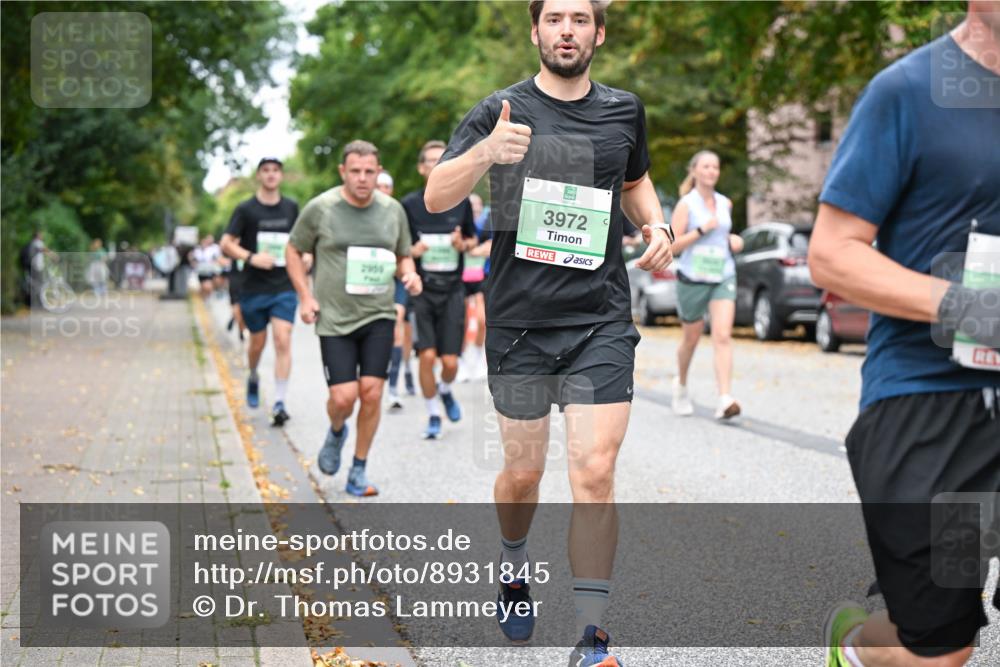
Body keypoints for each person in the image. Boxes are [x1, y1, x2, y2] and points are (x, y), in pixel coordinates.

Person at [424, 1, 673, 664]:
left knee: (594, 470)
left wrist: (660, 225)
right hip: (520, 323)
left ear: (599, 32)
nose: (568, 29)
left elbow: (637, 182)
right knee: (523, 470)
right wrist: (485, 152)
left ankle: (592, 635)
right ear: (535, 31)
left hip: (601, 319)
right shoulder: (498, 110)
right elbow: (436, 197)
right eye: (555, 18)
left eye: (580, 19)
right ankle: (512, 563)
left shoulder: (625, 110)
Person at [807, 3, 1000, 666]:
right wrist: (970, 308)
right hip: (932, 400)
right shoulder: (907, 92)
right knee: (940, 650)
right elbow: (832, 254)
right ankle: (859, 645)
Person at [286, 140, 421, 497]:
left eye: (369, 171)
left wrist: (410, 274)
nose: (363, 178)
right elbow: (294, 249)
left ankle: (358, 470)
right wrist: (305, 295)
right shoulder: (322, 208)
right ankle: (336, 430)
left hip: (378, 313)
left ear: (378, 172)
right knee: (344, 398)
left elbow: (403, 254)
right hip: (334, 318)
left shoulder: (393, 211)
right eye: (355, 171)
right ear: (343, 172)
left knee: (372, 393)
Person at [402, 141, 479, 439]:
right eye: (430, 160)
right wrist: (413, 250)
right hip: (422, 289)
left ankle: (445, 389)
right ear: (422, 168)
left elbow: (472, 240)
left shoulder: (461, 202)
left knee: (449, 362)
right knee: (426, 356)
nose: (436, 165)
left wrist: (463, 245)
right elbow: (401, 249)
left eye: (442, 159)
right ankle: (433, 414)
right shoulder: (408, 205)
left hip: (452, 290)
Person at [220, 157, 304, 426]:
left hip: (283, 285)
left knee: (282, 338)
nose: (271, 175)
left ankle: (279, 402)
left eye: (275, 171)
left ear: (281, 176)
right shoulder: (246, 210)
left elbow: (303, 240)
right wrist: (251, 256)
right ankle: (254, 373)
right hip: (254, 287)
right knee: (257, 342)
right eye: (266, 171)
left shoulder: (291, 208)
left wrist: (306, 257)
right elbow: (226, 243)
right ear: (259, 176)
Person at [668, 150, 744, 420]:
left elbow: (724, 237)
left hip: (722, 274)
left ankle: (724, 398)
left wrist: (734, 241)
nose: (712, 171)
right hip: (693, 277)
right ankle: (681, 385)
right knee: (691, 338)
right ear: (695, 171)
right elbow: (673, 246)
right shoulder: (686, 204)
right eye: (706, 166)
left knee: (722, 335)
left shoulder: (725, 203)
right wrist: (701, 230)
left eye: (715, 167)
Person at [378, 170, 417, 409]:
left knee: (399, 324)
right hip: (373, 281)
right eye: (378, 186)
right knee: (395, 329)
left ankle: (393, 387)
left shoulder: (399, 214)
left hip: (398, 279)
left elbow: (407, 249)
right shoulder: (363, 214)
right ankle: (405, 369)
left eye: (386, 187)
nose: (382, 191)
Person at [459, 192, 489, 381]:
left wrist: (474, 250)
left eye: (478, 205)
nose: (475, 209)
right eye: (471, 206)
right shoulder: (460, 224)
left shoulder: (486, 224)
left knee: (481, 319)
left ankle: (478, 355)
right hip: (461, 277)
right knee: (459, 322)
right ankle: (461, 359)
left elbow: (491, 246)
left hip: (481, 276)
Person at [192, 234, 222, 299]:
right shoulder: (198, 250)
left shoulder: (214, 248)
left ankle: (206, 299)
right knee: (203, 287)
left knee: (208, 286)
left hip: (210, 271)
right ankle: (203, 300)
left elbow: (217, 258)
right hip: (201, 272)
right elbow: (194, 260)